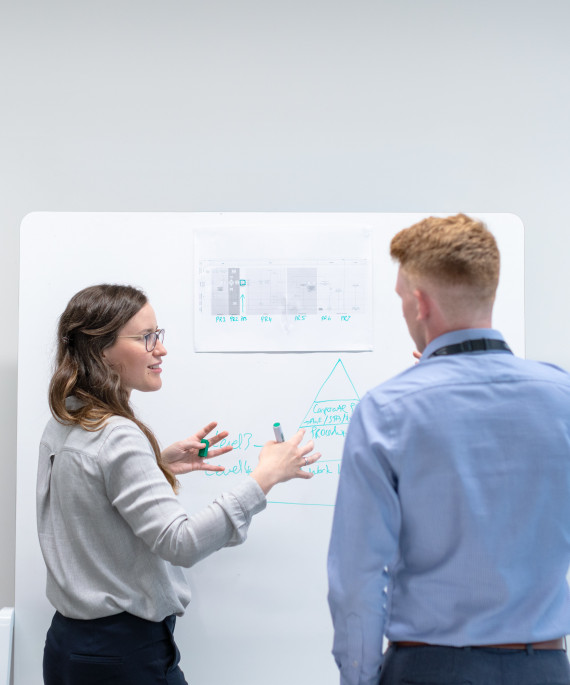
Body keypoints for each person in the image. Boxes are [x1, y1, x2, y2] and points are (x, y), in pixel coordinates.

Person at [327, 214, 570, 685]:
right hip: (544, 668)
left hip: (431, 668)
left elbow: (357, 579)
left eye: (402, 298)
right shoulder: (563, 398)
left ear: (420, 303)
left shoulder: (387, 411)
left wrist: (358, 679)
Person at [37, 283, 321, 685]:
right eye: (145, 338)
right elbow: (181, 543)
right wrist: (265, 478)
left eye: (159, 335)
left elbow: (88, 498)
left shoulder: (69, 418)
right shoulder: (117, 435)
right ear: (101, 350)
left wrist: (156, 464)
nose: (160, 349)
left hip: (71, 647)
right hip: (123, 656)